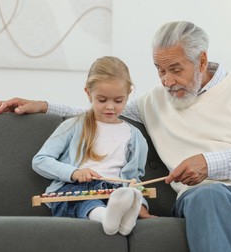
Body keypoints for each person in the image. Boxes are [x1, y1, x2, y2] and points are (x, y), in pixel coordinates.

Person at [0, 21, 231, 251]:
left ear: (201, 60)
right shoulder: (152, 101)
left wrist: (209, 162)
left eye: (175, 69)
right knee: (207, 197)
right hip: (206, 193)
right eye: (159, 70)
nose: (166, 80)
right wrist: (42, 104)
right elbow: (99, 108)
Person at [32, 56, 151, 236]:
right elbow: (40, 160)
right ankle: (106, 217)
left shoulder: (135, 136)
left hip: (117, 191)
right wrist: (74, 173)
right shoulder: (72, 126)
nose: (110, 107)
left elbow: (136, 179)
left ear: (129, 93)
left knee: (127, 195)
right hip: (78, 190)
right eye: (102, 100)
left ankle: (124, 218)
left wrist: (142, 205)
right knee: (84, 202)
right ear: (88, 93)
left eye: (118, 101)